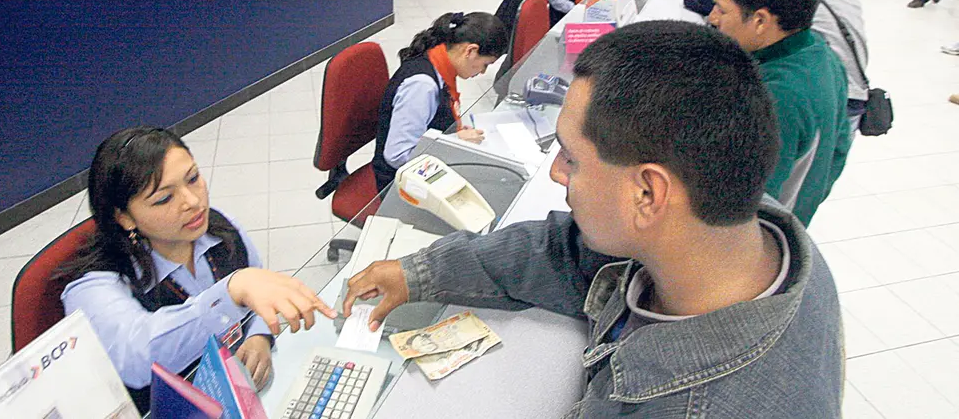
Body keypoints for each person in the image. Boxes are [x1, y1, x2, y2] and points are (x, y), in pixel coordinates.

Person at [343, 22, 844, 418]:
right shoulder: (738, 221)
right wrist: (419, 272)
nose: (557, 173)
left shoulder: (695, 406)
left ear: (648, 192)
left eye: (571, 159)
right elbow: (563, 248)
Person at [60, 127, 337, 413]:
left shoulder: (219, 230)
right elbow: (137, 359)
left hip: (233, 394)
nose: (193, 202)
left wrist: (258, 335)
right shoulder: (94, 286)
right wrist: (229, 294)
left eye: (193, 179)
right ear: (125, 218)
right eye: (164, 199)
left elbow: (257, 290)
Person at [710, 0, 851, 225]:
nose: (713, 19)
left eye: (722, 11)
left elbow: (742, 209)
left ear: (761, 21)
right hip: (794, 217)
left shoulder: (776, 97)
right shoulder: (822, 53)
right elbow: (839, 149)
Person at [373, 12, 508, 189]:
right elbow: (398, 155)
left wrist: (453, 133)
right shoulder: (422, 85)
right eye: (485, 64)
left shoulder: (439, 61)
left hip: (423, 167)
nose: (482, 72)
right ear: (470, 51)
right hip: (397, 183)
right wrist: (455, 140)